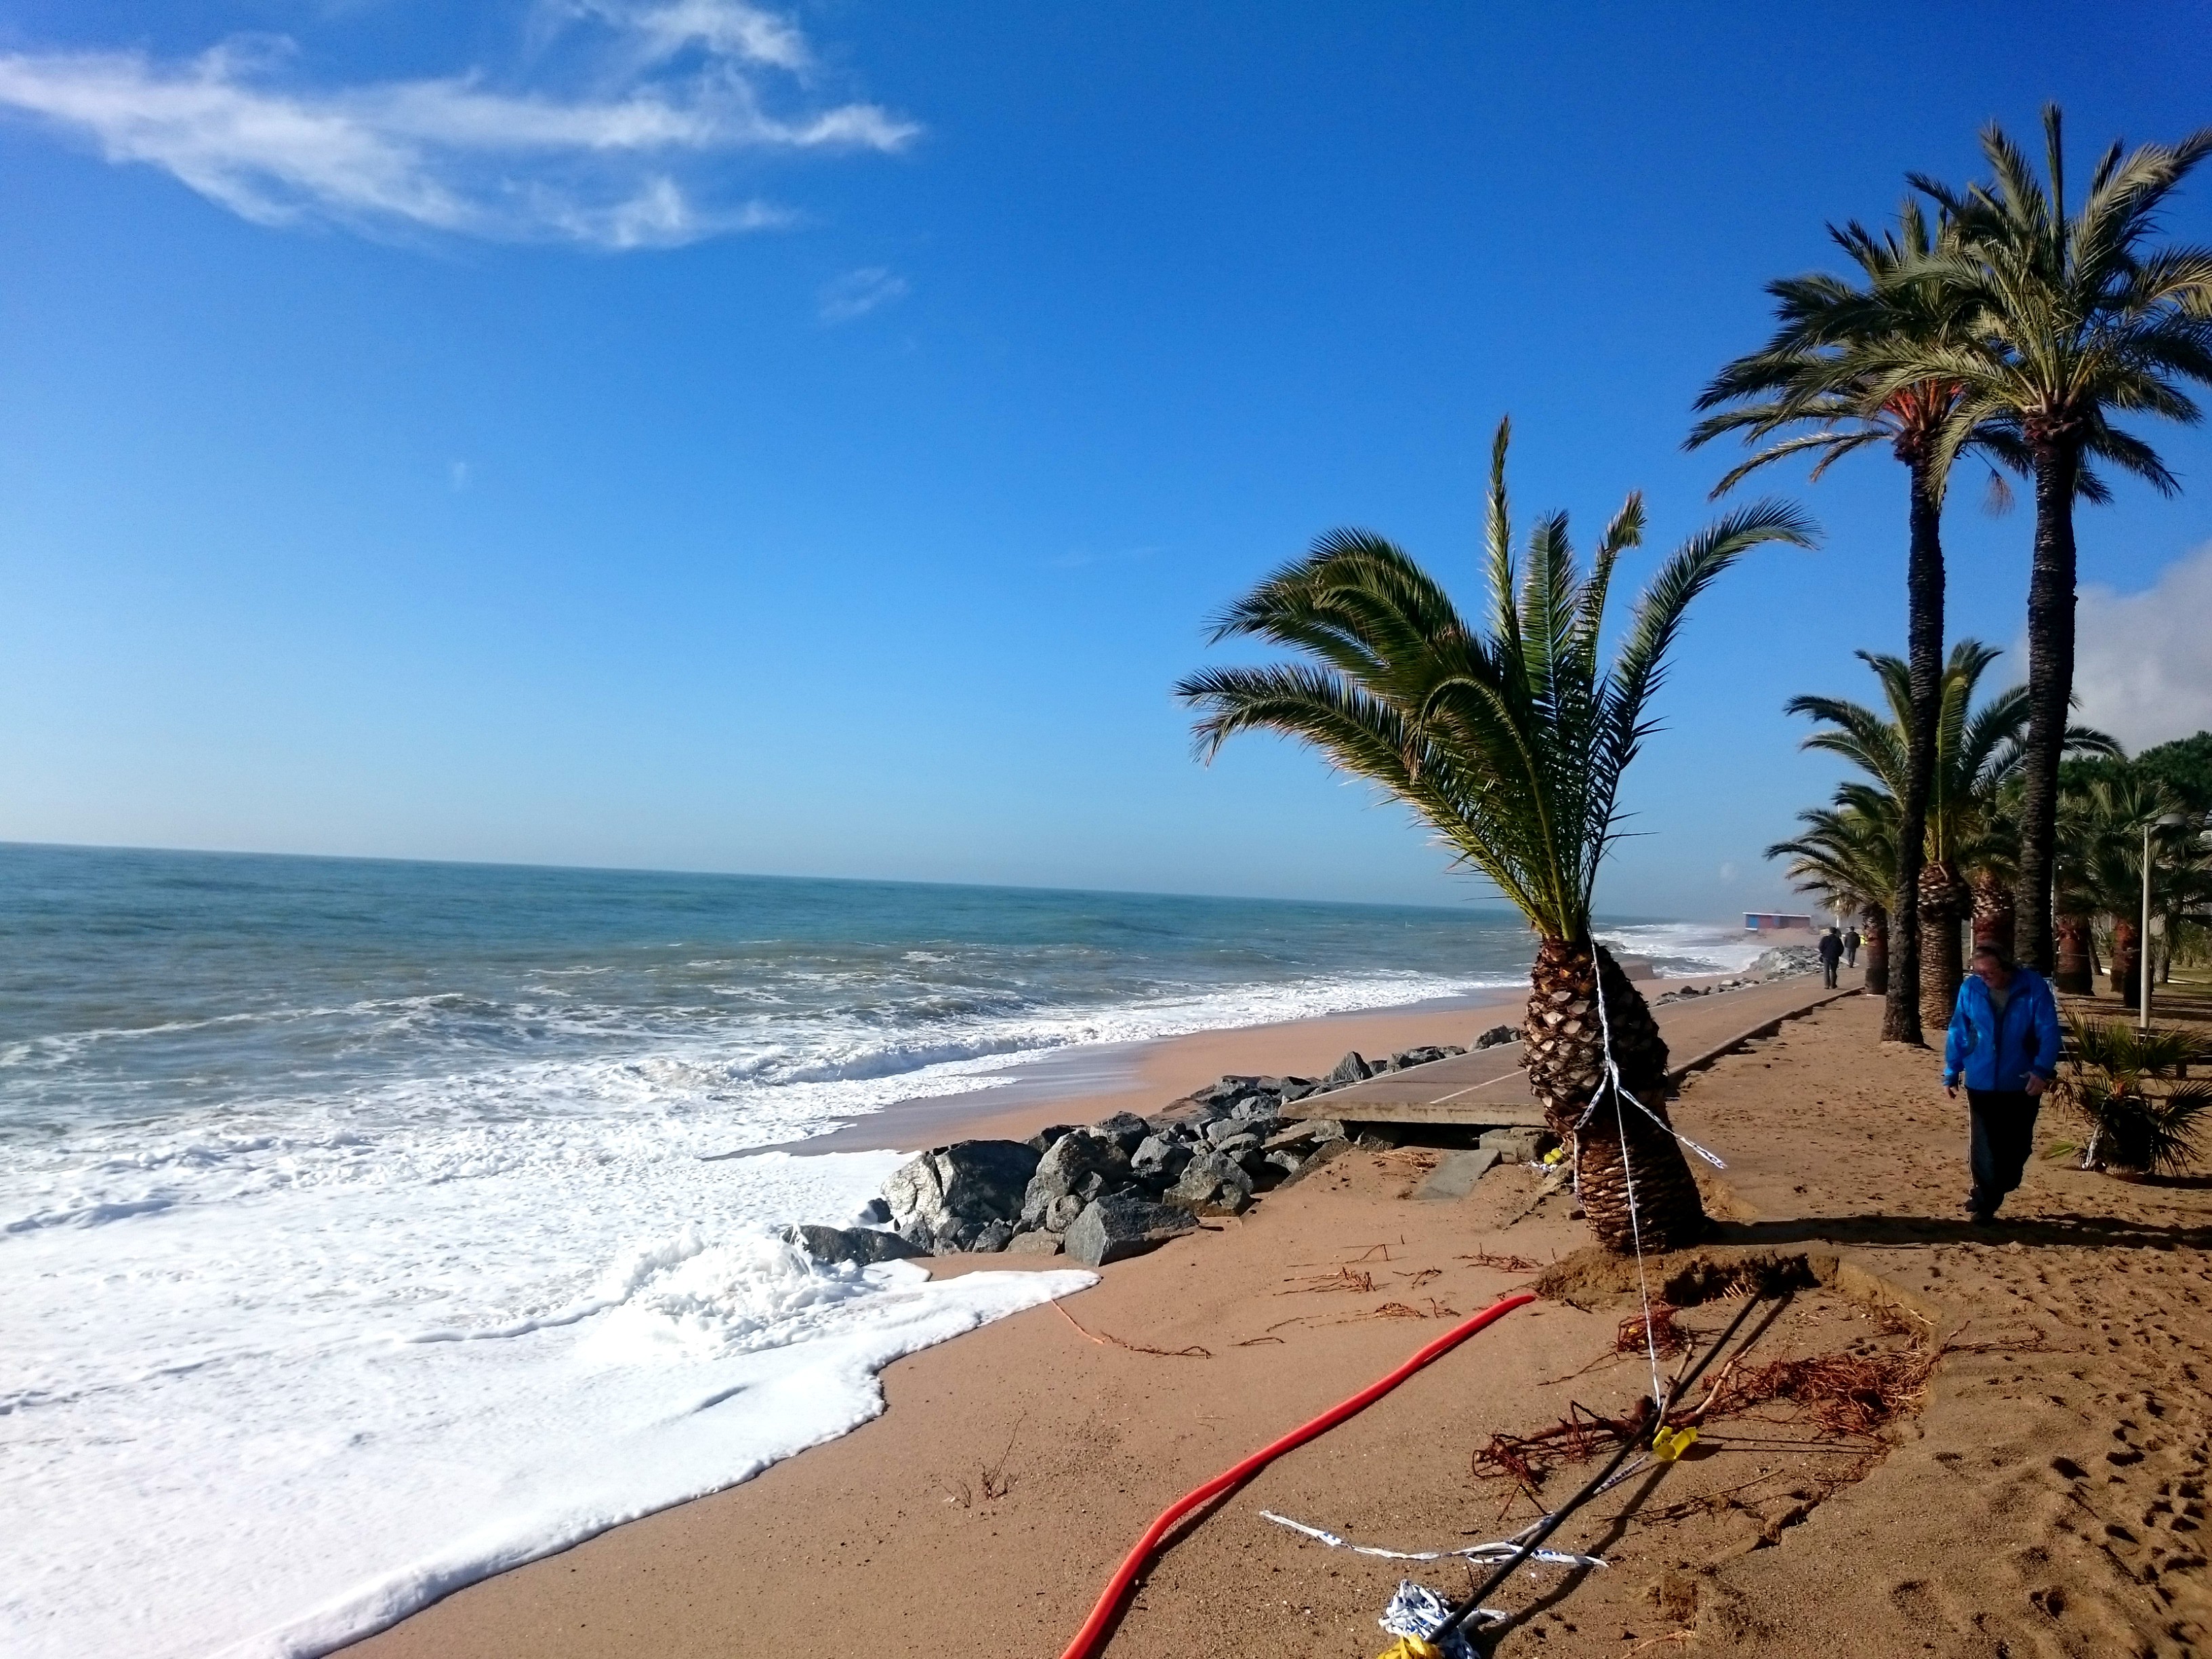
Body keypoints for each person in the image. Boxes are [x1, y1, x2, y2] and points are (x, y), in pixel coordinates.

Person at [1943, 945, 2062, 1223]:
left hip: (2022, 1081)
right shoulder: (1971, 989)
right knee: (1984, 1145)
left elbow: (2048, 1030)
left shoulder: (2032, 988)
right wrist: (1952, 1070)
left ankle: (1999, 1186)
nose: (1982, 977)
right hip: (1981, 1078)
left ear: (2006, 967)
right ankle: (1985, 1203)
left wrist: (2041, 1071)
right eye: (1977, 972)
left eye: (1988, 972)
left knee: (2017, 1146)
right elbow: (1959, 1030)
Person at [1817, 925, 1843, 989]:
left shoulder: (1825, 938)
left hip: (1826, 956)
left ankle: (1827, 985)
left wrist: (1823, 953)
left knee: (1826, 971)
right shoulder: (1838, 939)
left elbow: (1820, 947)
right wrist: (1838, 954)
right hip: (1835, 957)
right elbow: (1841, 948)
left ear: (1829, 931)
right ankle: (1833, 985)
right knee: (1833, 971)